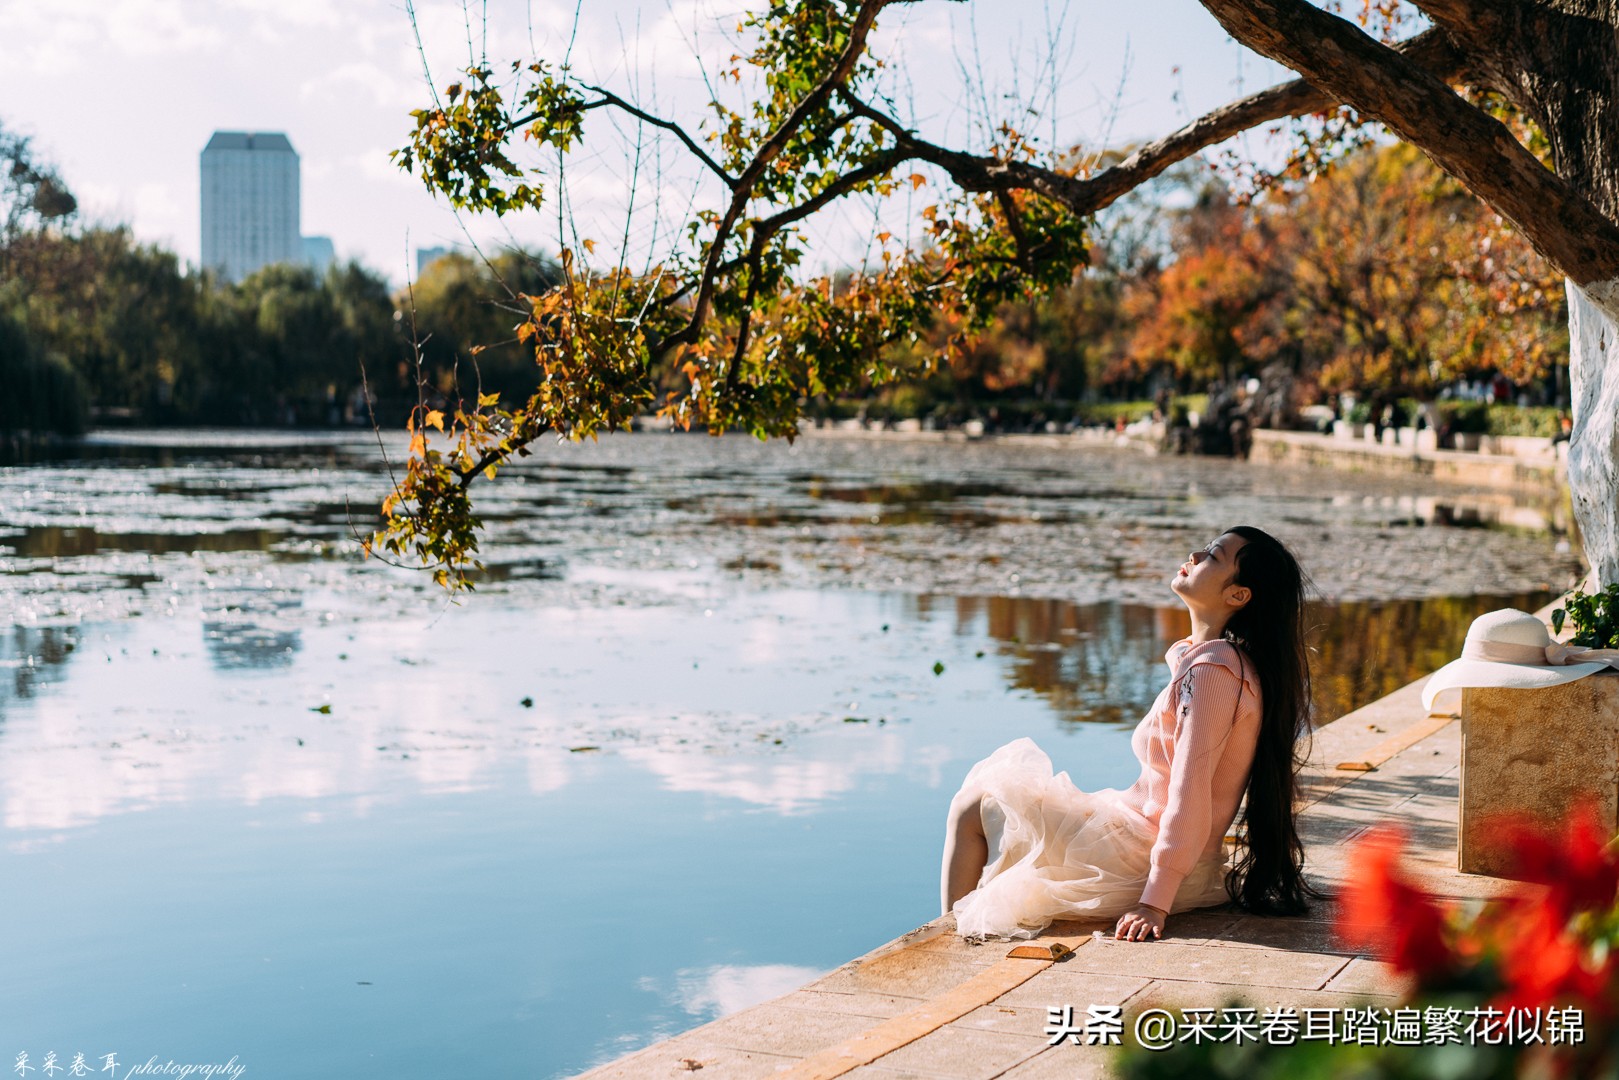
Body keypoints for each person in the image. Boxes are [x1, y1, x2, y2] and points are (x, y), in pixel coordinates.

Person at [940, 526, 1317, 943]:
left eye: (1213, 555)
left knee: (975, 805)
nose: (1194, 553)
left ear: (1238, 595)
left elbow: (1188, 791)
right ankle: (955, 929)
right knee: (997, 810)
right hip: (1143, 842)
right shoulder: (1214, 662)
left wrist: (1155, 901)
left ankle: (946, 938)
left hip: (1145, 859)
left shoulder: (1214, 671)